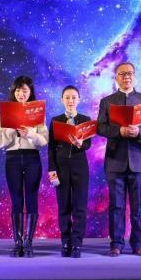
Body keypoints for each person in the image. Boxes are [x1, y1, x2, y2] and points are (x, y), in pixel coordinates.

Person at [97, 62, 141, 257]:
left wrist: (138, 131)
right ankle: (116, 244)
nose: (126, 77)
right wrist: (120, 131)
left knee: (139, 206)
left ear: (135, 76)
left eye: (130, 73)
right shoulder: (107, 101)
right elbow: (100, 127)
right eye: (122, 74)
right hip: (115, 160)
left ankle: (138, 243)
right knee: (116, 205)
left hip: (139, 161)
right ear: (116, 77)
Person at [0, 76, 49, 258]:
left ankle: (28, 243)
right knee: (16, 199)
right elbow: (0, 143)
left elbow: (44, 141)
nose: (21, 93)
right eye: (18, 90)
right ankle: (17, 242)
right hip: (12, 158)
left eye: (25, 90)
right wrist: (11, 129)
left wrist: (30, 133)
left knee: (32, 198)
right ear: (14, 91)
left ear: (30, 92)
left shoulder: (37, 113)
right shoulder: (3, 113)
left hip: (32, 157)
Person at [48, 85, 92, 258]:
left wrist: (81, 144)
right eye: (67, 97)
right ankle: (65, 242)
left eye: (74, 97)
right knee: (63, 206)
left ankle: (77, 243)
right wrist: (52, 169)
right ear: (62, 100)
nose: (71, 100)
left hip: (80, 166)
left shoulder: (85, 119)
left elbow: (88, 144)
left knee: (80, 206)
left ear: (79, 99)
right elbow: (51, 148)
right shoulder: (56, 120)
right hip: (61, 167)